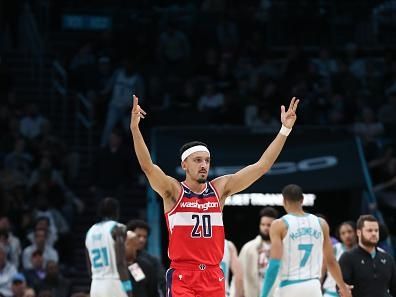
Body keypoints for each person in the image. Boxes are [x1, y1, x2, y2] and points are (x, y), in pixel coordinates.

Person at [130, 94, 300, 297]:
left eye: (207, 160)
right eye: (198, 160)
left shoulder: (220, 189)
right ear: (184, 164)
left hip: (213, 275)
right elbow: (148, 167)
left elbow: (261, 166)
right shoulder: (174, 191)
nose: (203, 165)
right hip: (183, 275)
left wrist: (285, 130)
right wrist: (135, 129)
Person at [260, 184, 351, 297]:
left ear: (284, 201)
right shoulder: (321, 223)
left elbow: (274, 264)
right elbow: (331, 261)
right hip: (313, 287)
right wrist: (343, 287)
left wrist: (263, 295)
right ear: (302, 200)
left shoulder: (279, 225)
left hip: (289, 287)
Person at [338, 215, 396, 297]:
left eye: (376, 231)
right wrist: (343, 289)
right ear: (359, 233)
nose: (374, 233)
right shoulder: (347, 257)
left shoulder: (387, 258)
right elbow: (340, 286)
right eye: (369, 230)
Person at [85, 197, 132, 297]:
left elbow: (89, 266)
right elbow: (120, 263)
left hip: (96, 284)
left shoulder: (90, 231)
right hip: (114, 283)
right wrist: (128, 289)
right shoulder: (118, 229)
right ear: (116, 211)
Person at [239, 207, 278, 297]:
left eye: (269, 225)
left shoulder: (282, 247)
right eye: (263, 224)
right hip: (253, 292)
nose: (265, 228)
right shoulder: (248, 248)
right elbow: (239, 275)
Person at [126, 220, 165, 297]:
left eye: (145, 237)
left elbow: (162, 283)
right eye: (138, 236)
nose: (142, 240)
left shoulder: (152, 261)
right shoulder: (118, 260)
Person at [322, 221, 357, 297]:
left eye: (350, 232)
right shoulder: (335, 248)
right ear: (339, 236)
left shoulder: (362, 251)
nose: (347, 235)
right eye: (343, 233)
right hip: (331, 292)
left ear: (356, 232)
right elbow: (323, 267)